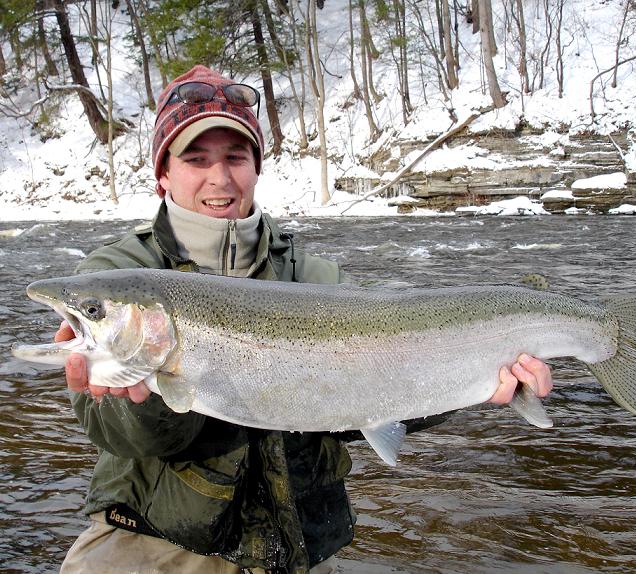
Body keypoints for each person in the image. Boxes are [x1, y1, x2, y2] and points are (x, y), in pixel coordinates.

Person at [55, 64, 553, 574]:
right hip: (153, 548)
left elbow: (365, 404)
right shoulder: (119, 277)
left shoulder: (313, 277)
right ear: (163, 173)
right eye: (195, 159)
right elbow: (124, 437)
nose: (219, 177)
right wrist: (147, 394)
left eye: (235, 157)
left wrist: (479, 380)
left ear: (256, 168)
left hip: (290, 552)